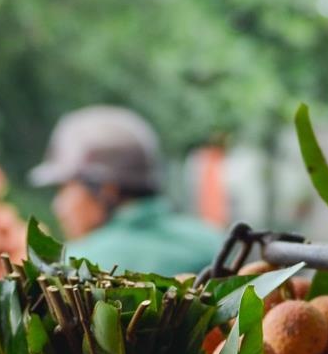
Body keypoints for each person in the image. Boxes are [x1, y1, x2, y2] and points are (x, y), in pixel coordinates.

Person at [30, 105, 223, 276]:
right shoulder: (214, 244)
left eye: (64, 189)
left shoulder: (73, 265)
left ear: (107, 191)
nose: (58, 206)